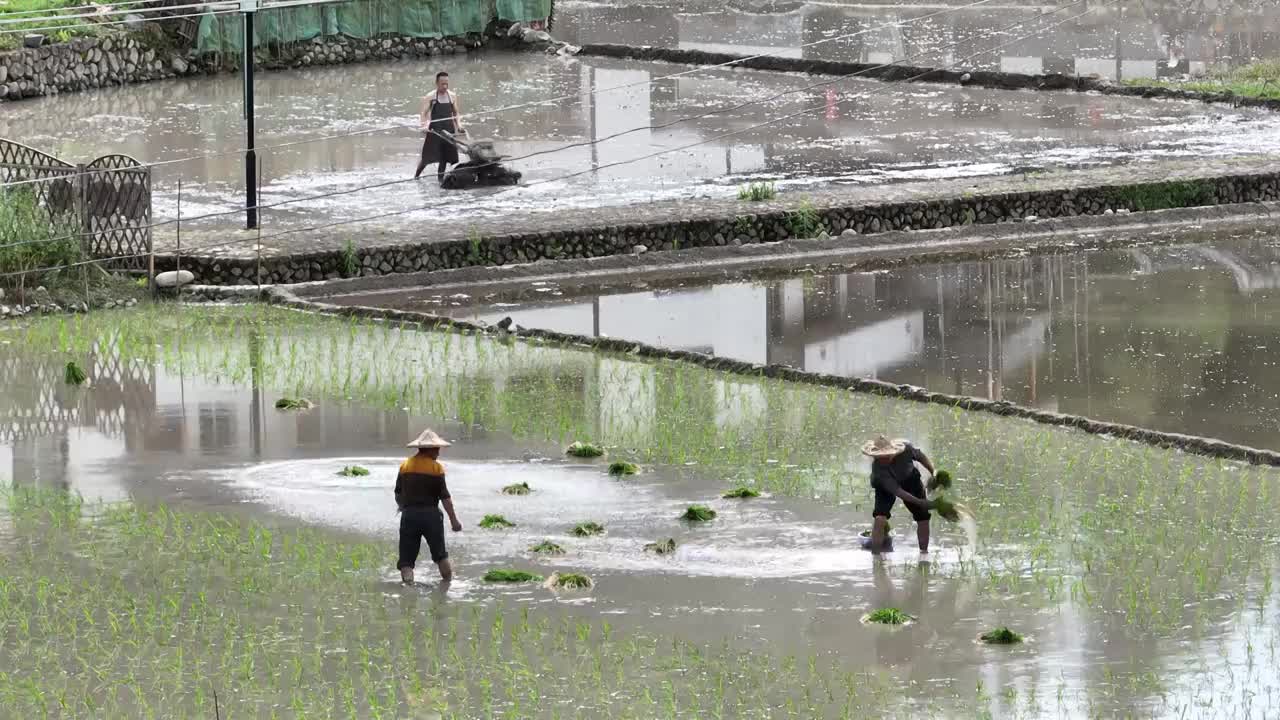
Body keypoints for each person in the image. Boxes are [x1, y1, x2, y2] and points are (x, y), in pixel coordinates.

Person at [395, 429, 463, 584]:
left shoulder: (405, 466)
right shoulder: (436, 469)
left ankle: (408, 592)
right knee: (441, 556)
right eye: (437, 449)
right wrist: (454, 521)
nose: (439, 452)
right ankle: (447, 586)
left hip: (409, 516)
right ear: (429, 449)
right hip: (431, 517)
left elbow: (398, 494)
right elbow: (445, 498)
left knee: (406, 562)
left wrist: (404, 507)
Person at [862, 435, 938, 554]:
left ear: (893, 451)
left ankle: (924, 554)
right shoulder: (878, 470)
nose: (883, 459)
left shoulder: (906, 448)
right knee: (880, 518)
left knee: (923, 517)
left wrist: (933, 472)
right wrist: (921, 502)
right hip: (886, 487)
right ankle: (876, 557)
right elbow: (898, 491)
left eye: (886, 456)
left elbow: (921, 457)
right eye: (879, 457)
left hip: (910, 479)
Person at [415, 71, 466, 183]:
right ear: (437, 83)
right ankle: (416, 177)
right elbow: (423, 113)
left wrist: (459, 125)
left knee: (444, 157)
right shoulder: (431, 96)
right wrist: (424, 126)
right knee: (426, 157)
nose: (445, 86)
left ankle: (440, 181)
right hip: (435, 130)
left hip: (448, 129)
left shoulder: (452, 96)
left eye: (447, 84)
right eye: (442, 84)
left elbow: (456, 113)